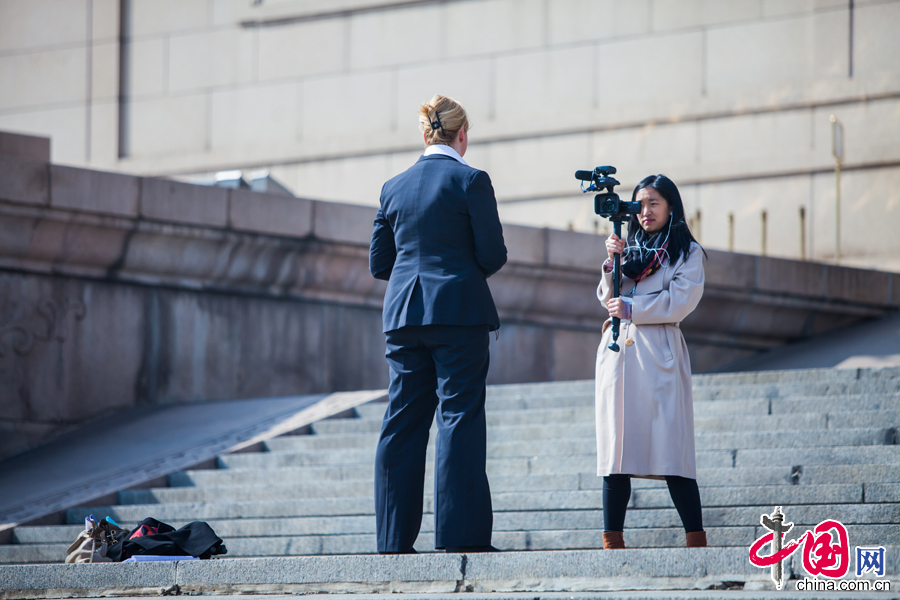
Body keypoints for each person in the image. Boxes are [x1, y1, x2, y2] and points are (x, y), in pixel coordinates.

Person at [369, 94, 507, 554]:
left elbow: (379, 263)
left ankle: (391, 540)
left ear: (424, 133)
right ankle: (459, 537)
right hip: (458, 312)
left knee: (401, 422)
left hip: (403, 316)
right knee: (458, 418)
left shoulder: (393, 186)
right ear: (462, 135)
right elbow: (492, 255)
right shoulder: (471, 180)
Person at [595, 174, 708, 550]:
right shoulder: (629, 249)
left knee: (672, 449)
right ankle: (612, 541)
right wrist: (612, 262)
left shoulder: (687, 253)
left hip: (660, 351)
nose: (645, 211)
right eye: (640, 204)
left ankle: (695, 538)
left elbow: (681, 300)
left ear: (671, 206)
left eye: (654, 203)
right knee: (617, 449)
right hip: (620, 352)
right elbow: (607, 298)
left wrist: (633, 307)